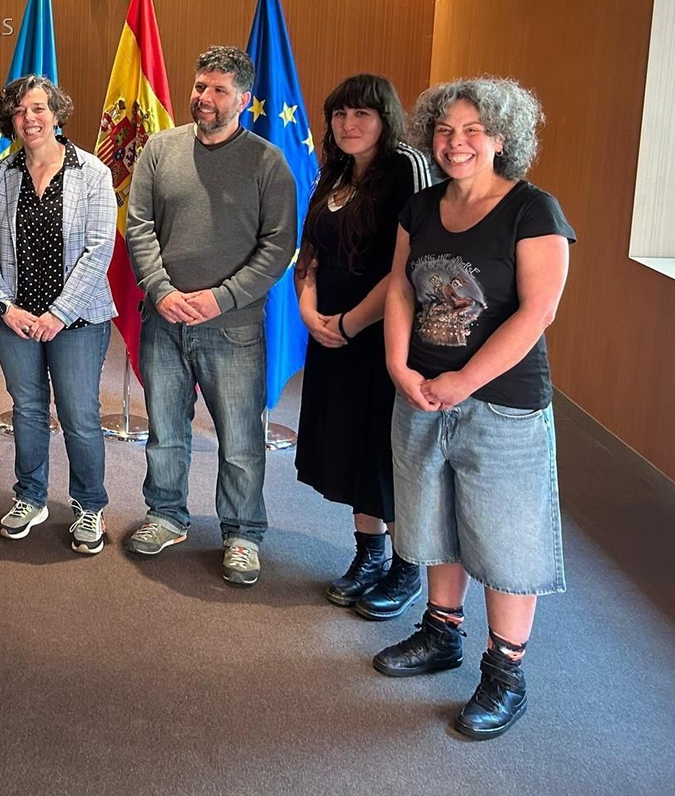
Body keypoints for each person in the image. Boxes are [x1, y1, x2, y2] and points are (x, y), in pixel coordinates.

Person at [372, 77, 573, 741]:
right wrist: (400, 364)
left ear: (501, 139)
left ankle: (506, 673)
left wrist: (465, 379)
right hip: (423, 393)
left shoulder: (532, 211)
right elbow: (402, 286)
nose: (456, 143)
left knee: (507, 537)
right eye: (445, 130)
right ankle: (441, 633)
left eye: (472, 131)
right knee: (433, 517)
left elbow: (537, 312)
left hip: (501, 404)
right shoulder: (422, 206)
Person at [124, 45, 297, 586]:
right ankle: (166, 514)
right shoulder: (159, 149)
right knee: (166, 430)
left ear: (243, 99)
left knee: (241, 438)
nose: (205, 98)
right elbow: (140, 225)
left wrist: (221, 298)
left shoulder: (268, 162)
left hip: (234, 328)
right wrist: (159, 289)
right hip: (165, 320)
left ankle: (243, 533)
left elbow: (277, 246)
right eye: (200, 86)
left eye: (219, 90)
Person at [294, 74, 436, 614]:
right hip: (331, 332)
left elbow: (408, 267)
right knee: (349, 445)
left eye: (363, 115)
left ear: (385, 120)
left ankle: (406, 567)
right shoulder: (333, 173)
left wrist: (351, 322)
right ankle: (369, 554)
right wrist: (310, 311)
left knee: (387, 452)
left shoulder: (405, 168)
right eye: (340, 115)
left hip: (384, 337)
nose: (349, 125)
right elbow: (309, 250)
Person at [0, 75, 118, 555]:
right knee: (29, 409)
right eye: (19, 111)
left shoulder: (92, 172)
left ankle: (89, 505)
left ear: (57, 114)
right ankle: (30, 496)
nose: (29, 118)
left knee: (78, 414)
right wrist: (1, 304)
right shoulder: (0, 174)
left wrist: (57, 313)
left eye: (38, 108)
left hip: (76, 319)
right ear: (9, 120)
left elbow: (99, 251)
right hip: (13, 317)